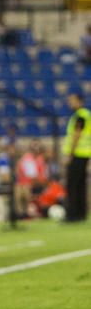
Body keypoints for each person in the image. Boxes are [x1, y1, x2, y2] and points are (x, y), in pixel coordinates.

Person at [63, 89, 91, 222]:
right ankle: (81, 214)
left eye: (72, 100)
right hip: (84, 154)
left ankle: (72, 214)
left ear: (79, 101)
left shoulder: (80, 115)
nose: (70, 102)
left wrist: (70, 154)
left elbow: (76, 135)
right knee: (80, 185)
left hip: (77, 154)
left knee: (72, 185)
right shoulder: (85, 114)